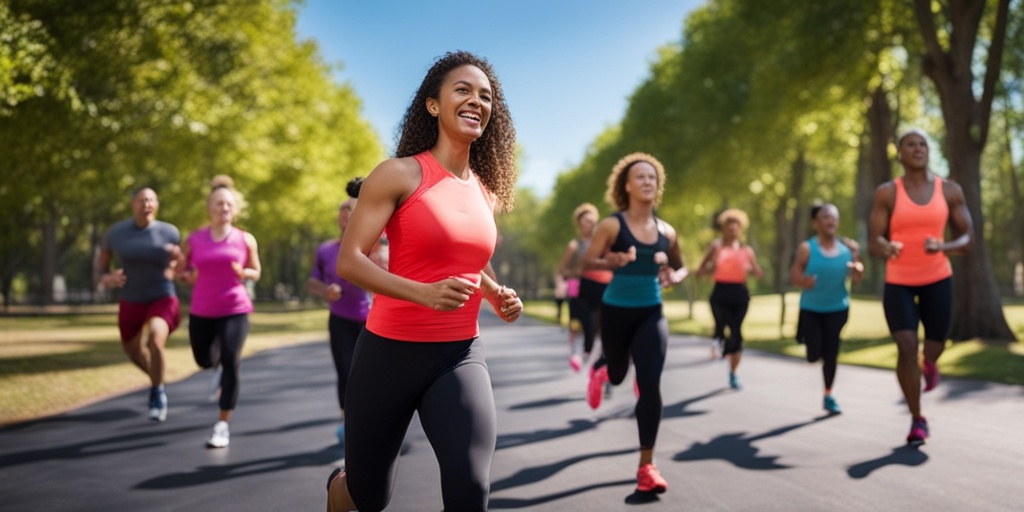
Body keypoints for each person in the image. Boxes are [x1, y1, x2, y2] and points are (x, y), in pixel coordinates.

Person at [324, 51, 523, 512]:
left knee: (471, 489)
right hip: (389, 352)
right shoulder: (399, 174)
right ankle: (341, 486)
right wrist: (423, 294)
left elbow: (466, 261)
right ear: (433, 105)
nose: (477, 101)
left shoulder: (485, 191)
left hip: (459, 354)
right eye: (463, 90)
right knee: (368, 496)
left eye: (486, 96)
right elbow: (350, 263)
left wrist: (496, 294)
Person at [582, 153, 689, 495]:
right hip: (615, 311)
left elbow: (682, 267)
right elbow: (587, 262)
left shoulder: (666, 232)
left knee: (651, 381)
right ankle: (602, 370)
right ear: (626, 185)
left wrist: (674, 274)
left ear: (658, 187)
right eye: (640, 177)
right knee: (618, 375)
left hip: (651, 312)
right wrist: (611, 259)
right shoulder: (612, 225)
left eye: (652, 178)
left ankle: (647, 466)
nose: (647, 182)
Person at [868, 129, 972, 446]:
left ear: (929, 151)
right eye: (910, 144)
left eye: (923, 144)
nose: (918, 149)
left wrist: (944, 245)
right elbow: (874, 240)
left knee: (934, 345)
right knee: (906, 347)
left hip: (937, 278)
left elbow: (968, 237)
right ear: (899, 153)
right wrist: (885, 247)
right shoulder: (887, 193)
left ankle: (931, 362)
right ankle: (917, 419)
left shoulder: (950, 190)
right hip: (898, 280)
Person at [178, 175, 262, 449]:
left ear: (234, 209)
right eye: (218, 204)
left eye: (228, 204)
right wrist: (185, 274)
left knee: (231, 361)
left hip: (235, 307)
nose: (223, 208)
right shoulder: (195, 239)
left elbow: (256, 272)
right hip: (202, 309)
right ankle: (216, 366)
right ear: (209, 207)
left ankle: (222, 425)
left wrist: (244, 272)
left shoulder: (244, 239)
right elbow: (183, 271)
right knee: (203, 359)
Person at [306, 177, 386, 443]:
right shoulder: (327, 250)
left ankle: (376, 421)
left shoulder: (379, 248)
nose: (344, 215)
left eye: (350, 210)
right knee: (346, 370)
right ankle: (347, 421)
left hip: (374, 321)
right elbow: (311, 282)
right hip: (340, 318)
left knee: (372, 374)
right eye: (341, 211)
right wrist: (325, 290)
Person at [96, 187, 184, 422]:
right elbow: (101, 267)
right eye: (142, 200)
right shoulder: (116, 233)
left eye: (151, 200)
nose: (147, 204)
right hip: (131, 299)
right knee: (132, 351)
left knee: (155, 340)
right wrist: (108, 279)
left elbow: (181, 263)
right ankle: (158, 378)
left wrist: (175, 265)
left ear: (156, 205)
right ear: (132, 204)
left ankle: (156, 394)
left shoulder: (170, 232)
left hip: (162, 296)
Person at [790, 203, 864, 415]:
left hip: (838, 308)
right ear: (816, 223)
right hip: (811, 309)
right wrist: (805, 282)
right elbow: (793, 276)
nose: (830, 221)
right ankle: (810, 346)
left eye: (833, 217)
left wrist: (858, 266)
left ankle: (828, 395)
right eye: (824, 217)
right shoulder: (807, 248)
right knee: (814, 355)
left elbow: (856, 279)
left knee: (831, 354)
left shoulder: (848, 250)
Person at [696, 208, 763, 389]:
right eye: (729, 227)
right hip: (720, 293)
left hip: (740, 294)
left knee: (737, 333)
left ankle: (733, 373)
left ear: (741, 229)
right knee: (723, 326)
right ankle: (720, 342)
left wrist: (752, 270)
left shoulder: (746, 250)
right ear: (723, 228)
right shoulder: (716, 247)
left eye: (736, 227)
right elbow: (701, 269)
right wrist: (711, 268)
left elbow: (757, 272)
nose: (732, 230)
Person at [555, 202, 613, 372]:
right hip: (578, 289)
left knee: (600, 328)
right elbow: (561, 271)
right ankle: (576, 351)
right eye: (587, 221)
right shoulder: (574, 246)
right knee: (580, 322)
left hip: (602, 289)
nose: (591, 224)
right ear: (580, 224)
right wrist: (564, 282)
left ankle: (601, 364)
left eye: (593, 221)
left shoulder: (603, 245)